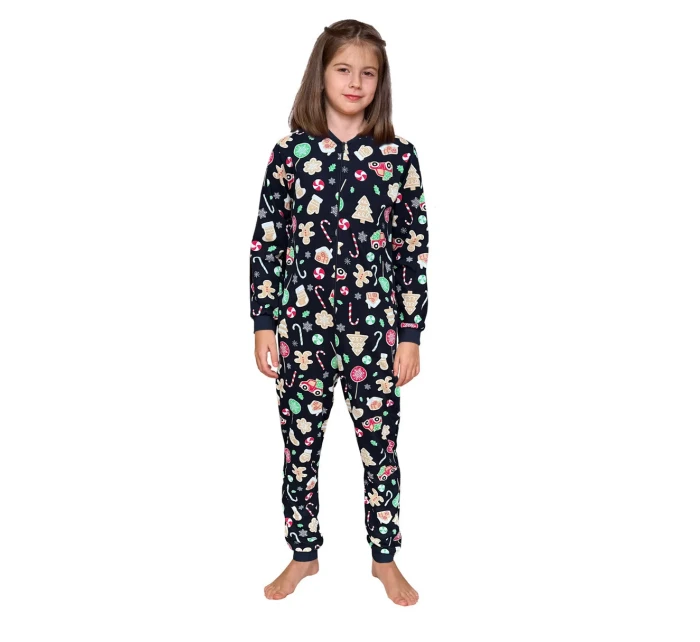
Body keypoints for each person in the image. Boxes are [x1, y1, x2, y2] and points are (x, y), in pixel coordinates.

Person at [248, 19, 428, 607]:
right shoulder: (290, 155)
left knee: (381, 449)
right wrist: (264, 322)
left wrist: (409, 334)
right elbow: (268, 241)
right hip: (300, 330)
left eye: (368, 73)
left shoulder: (398, 158)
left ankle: (385, 559)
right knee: (300, 447)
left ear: (381, 82)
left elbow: (412, 250)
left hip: (374, 335)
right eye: (344, 69)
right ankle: (303, 554)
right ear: (321, 75)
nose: (355, 82)